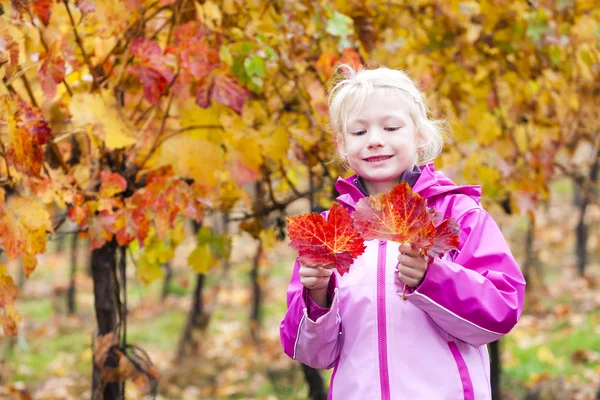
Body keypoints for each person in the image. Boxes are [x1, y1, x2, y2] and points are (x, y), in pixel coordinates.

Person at [279, 65, 526, 400]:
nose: (375, 140)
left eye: (391, 126)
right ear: (341, 144)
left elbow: (501, 311)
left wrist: (433, 279)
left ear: (420, 134)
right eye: (359, 132)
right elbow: (311, 353)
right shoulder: (332, 231)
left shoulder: (456, 214)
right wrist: (318, 297)